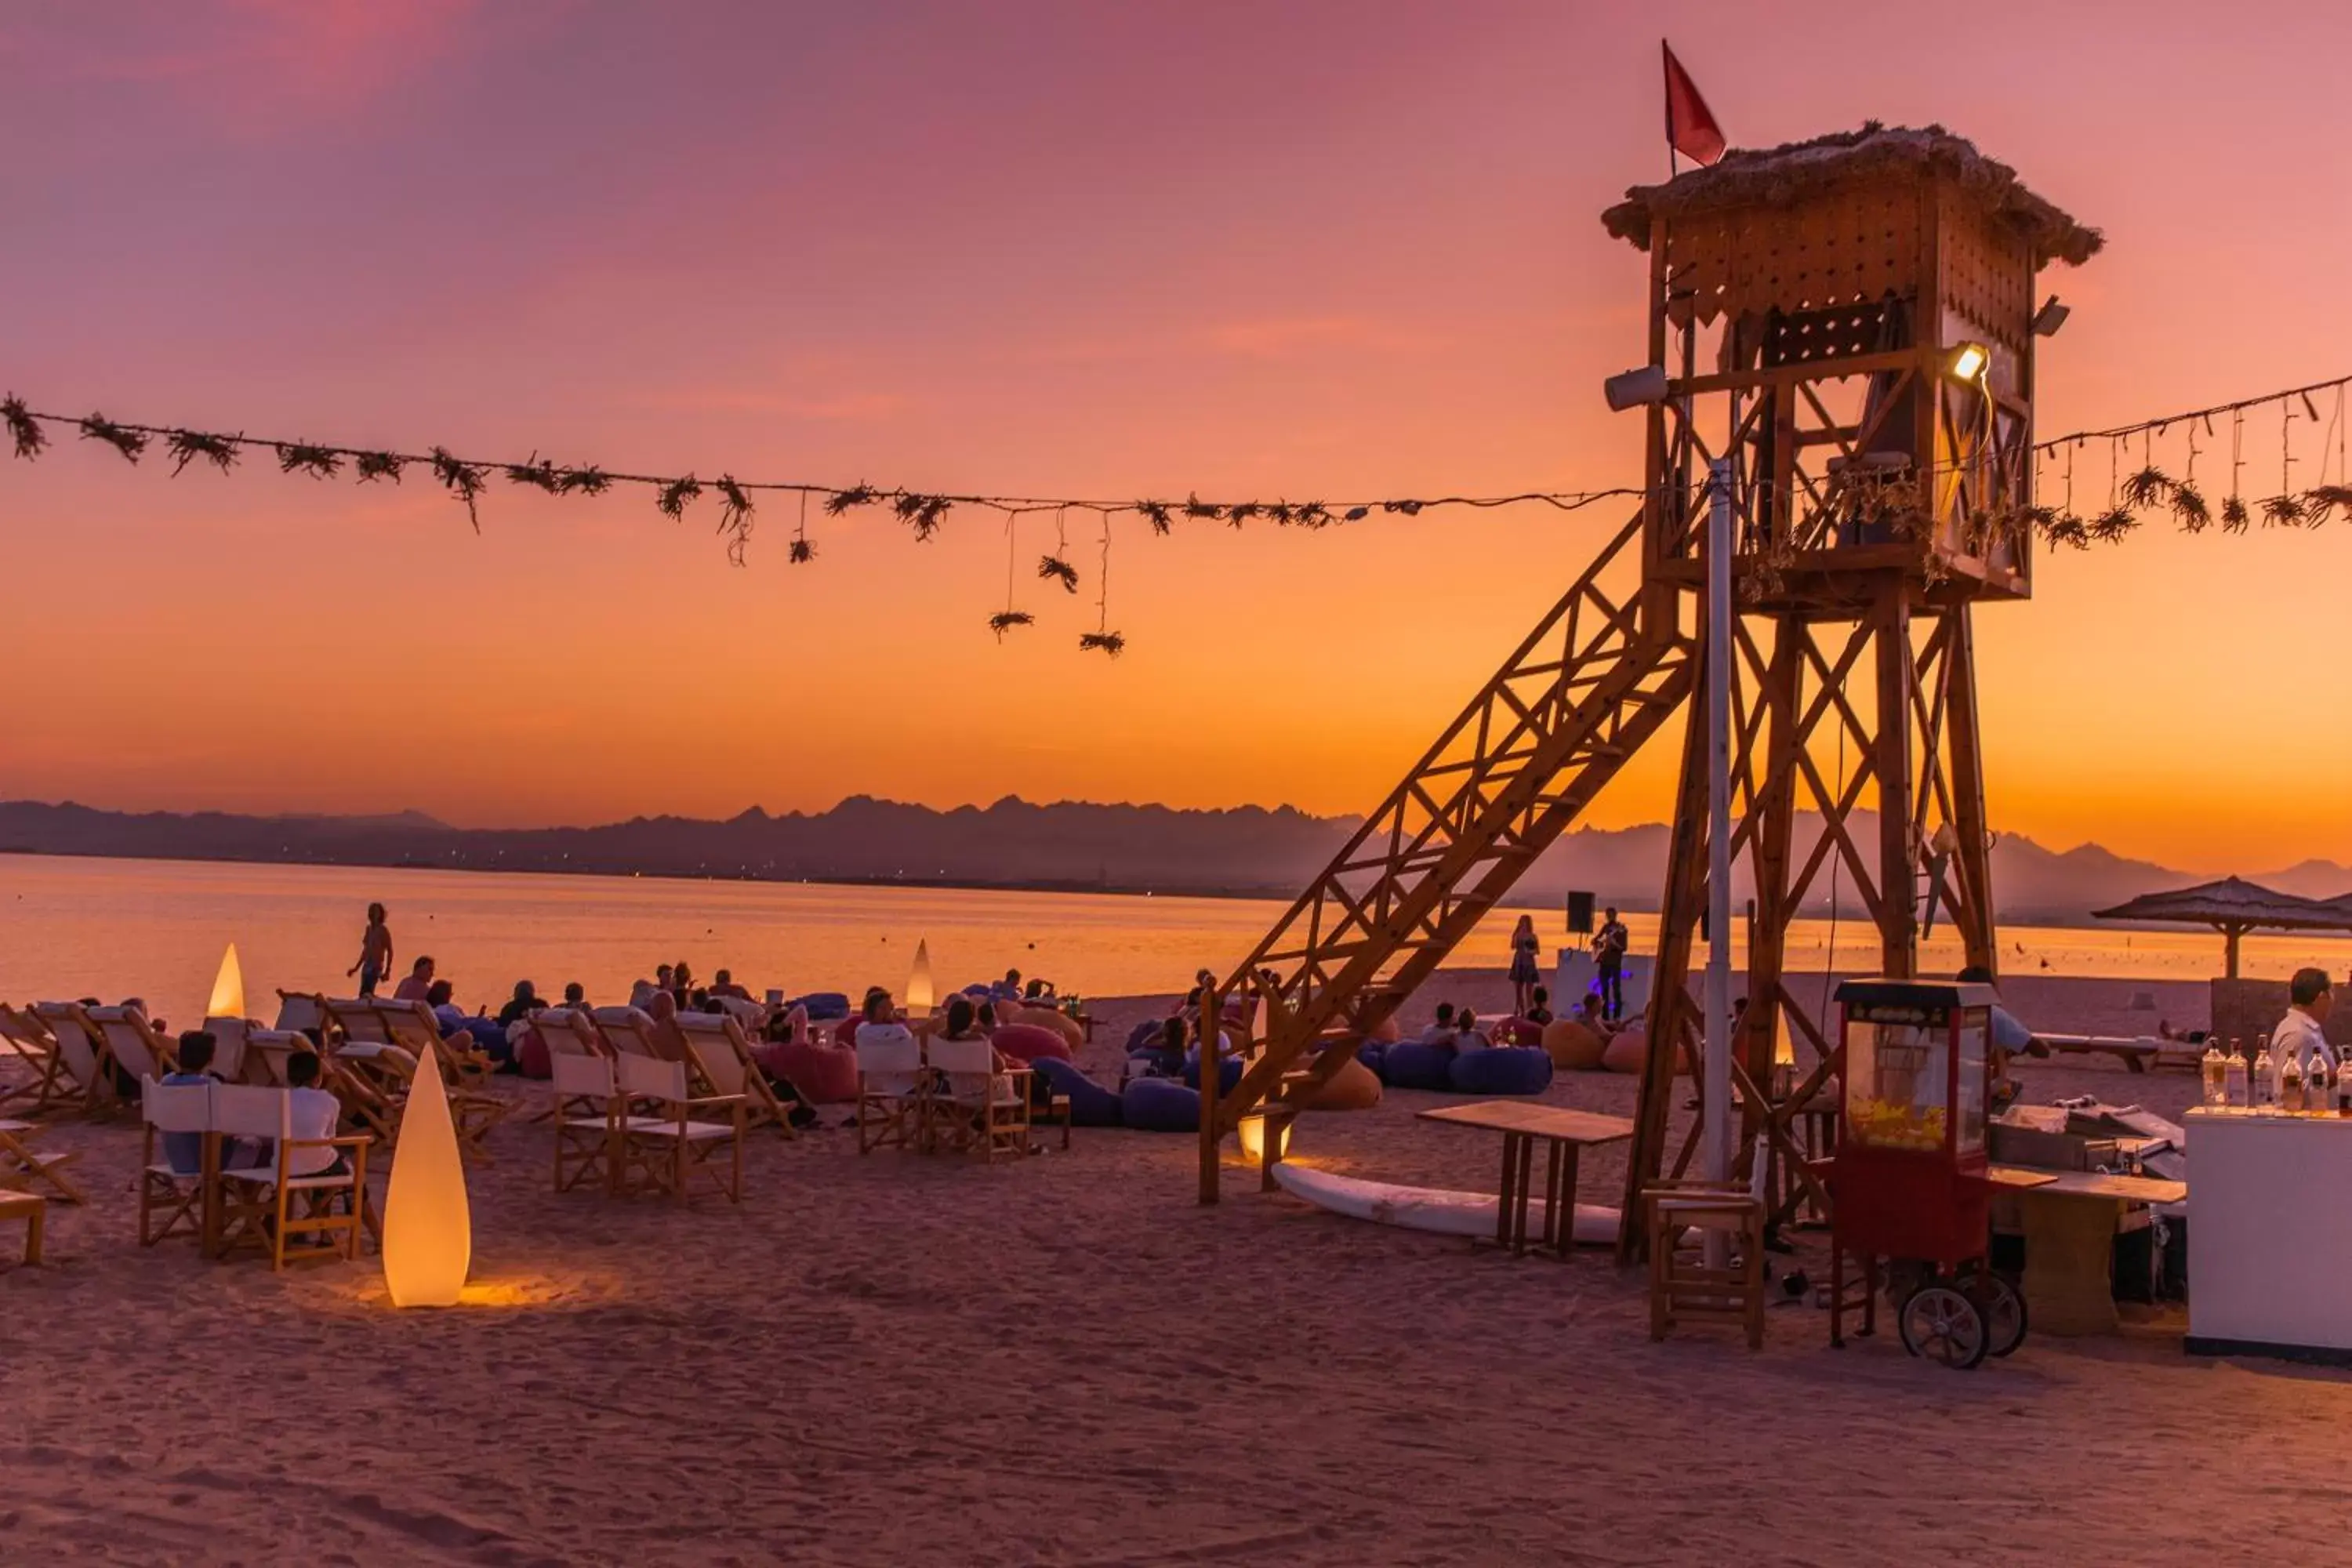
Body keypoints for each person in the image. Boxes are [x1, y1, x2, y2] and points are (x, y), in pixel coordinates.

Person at [1957, 965, 2034, 1111]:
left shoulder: (1943, 1012)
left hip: (1934, 1087)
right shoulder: (1993, 1013)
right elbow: (2038, 1049)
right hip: (1969, 1092)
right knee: (2012, 1086)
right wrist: (2009, 1051)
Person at [159, 1030, 221, 1174]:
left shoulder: (166, 1082)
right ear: (210, 1058)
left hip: (176, 1160)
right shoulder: (208, 1086)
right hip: (201, 1162)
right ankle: (246, 1194)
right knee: (256, 1146)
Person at [2269, 967, 2336, 1098]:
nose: (2333, 1002)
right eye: (2332, 993)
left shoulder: (2305, 1030)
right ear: (2321, 997)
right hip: (2305, 1117)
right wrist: (2335, 1079)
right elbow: (2288, 1093)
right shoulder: (2299, 1035)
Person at [281, 1051, 349, 1178]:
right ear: (318, 1078)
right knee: (342, 1162)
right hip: (319, 1165)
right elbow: (331, 1137)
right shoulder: (330, 1101)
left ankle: (295, 1196)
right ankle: (322, 1196)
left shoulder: (280, 1100)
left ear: (289, 1078)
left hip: (284, 1165)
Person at [347, 903, 394, 996]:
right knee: (363, 992)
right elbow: (366, 951)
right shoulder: (369, 929)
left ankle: (371, 1006)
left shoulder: (383, 930)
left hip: (376, 966)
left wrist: (387, 970)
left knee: (368, 991)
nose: (374, 914)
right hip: (367, 965)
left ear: (380, 914)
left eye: (376, 911)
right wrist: (356, 968)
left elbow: (390, 950)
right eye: (372, 911)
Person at [1593, 907, 1630, 1022]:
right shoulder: (1606, 928)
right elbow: (1596, 940)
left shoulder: (1621, 929)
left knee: (1616, 990)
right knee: (1604, 990)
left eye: (1611, 914)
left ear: (1615, 915)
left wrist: (1614, 944)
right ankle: (1605, 1016)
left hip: (1615, 964)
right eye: (1608, 915)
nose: (1609, 917)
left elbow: (1624, 948)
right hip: (1604, 962)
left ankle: (1617, 1016)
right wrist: (1598, 943)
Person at [1508, 914, 1542, 1018]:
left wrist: (1530, 951)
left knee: (1529, 990)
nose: (1523, 925)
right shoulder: (1518, 935)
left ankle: (1530, 1010)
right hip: (1519, 962)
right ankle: (1520, 1010)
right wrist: (1515, 934)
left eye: (1525, 923)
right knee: (1518, 989)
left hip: (1529, 963)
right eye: (1521, 922)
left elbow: (1538, 951)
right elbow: (1512, 946)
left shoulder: (1533, 936)